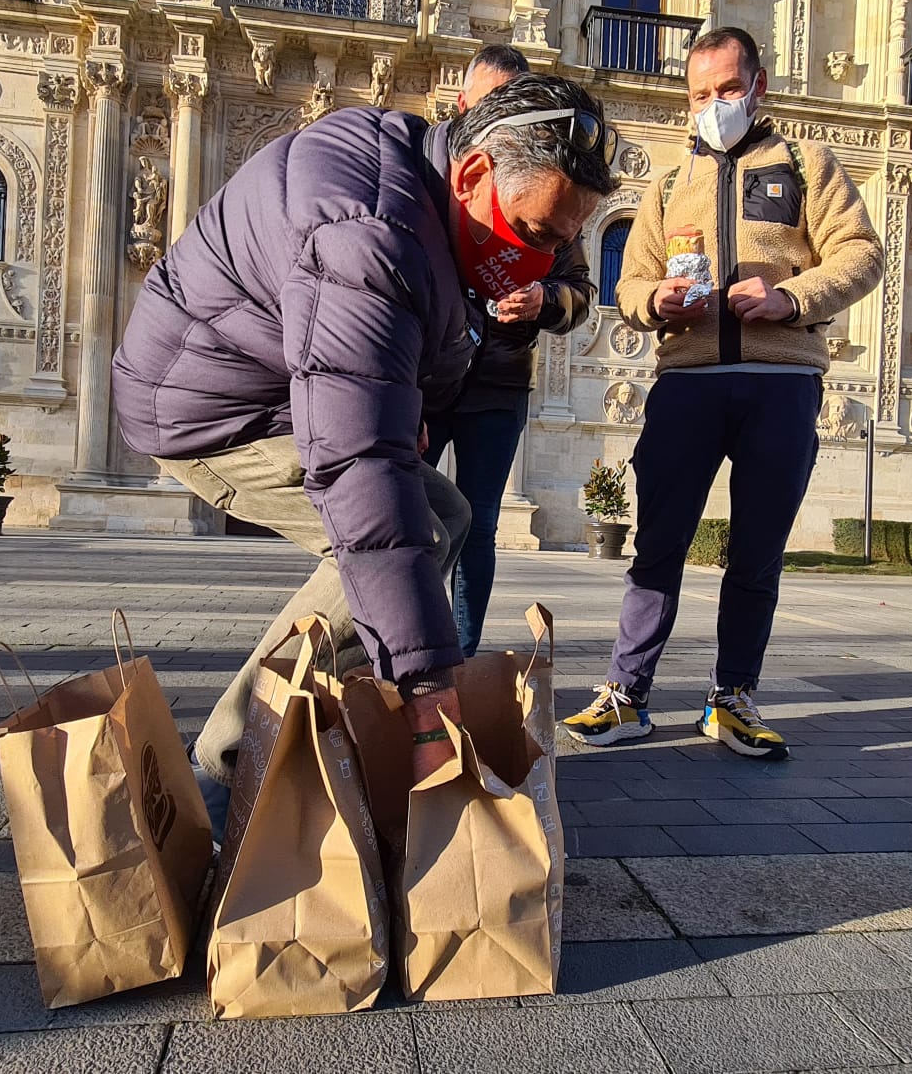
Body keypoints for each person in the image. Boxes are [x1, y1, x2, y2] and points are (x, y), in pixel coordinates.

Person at [114, 74, 615, 813]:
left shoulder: (425, 187)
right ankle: (224, 773)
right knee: (410, 523)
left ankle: (307, 737)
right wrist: (429, 695)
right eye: (536, 233)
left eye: (565, 243)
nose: (543, 260)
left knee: (440, 515)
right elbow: (359, 469)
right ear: (473, 172)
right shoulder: (371, 230)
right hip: (205, 411)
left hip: (261, 387)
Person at [563, 27, 882, 760]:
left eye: (729, 90)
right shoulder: (669, 186)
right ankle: (627, 695)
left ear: (758, 86)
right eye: (701, 94)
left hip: (782, 383)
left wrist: (791, 298)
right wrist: (655, 303)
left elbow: (862, 255)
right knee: (658, 544)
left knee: (757, 553)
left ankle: (732, 697)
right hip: (687, 384)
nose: (715, 105)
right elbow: (631, 283)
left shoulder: (806, 165)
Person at [424, 46, 599, 657]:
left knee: (478, 528)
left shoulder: (545, 191)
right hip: (427, 380)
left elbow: (582, 294)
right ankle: (398, 653)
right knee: (403, 518)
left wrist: (545, 300)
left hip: (497, 385)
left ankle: (460, 659)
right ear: (462, 105)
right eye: (493, 103)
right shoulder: (429, 174)